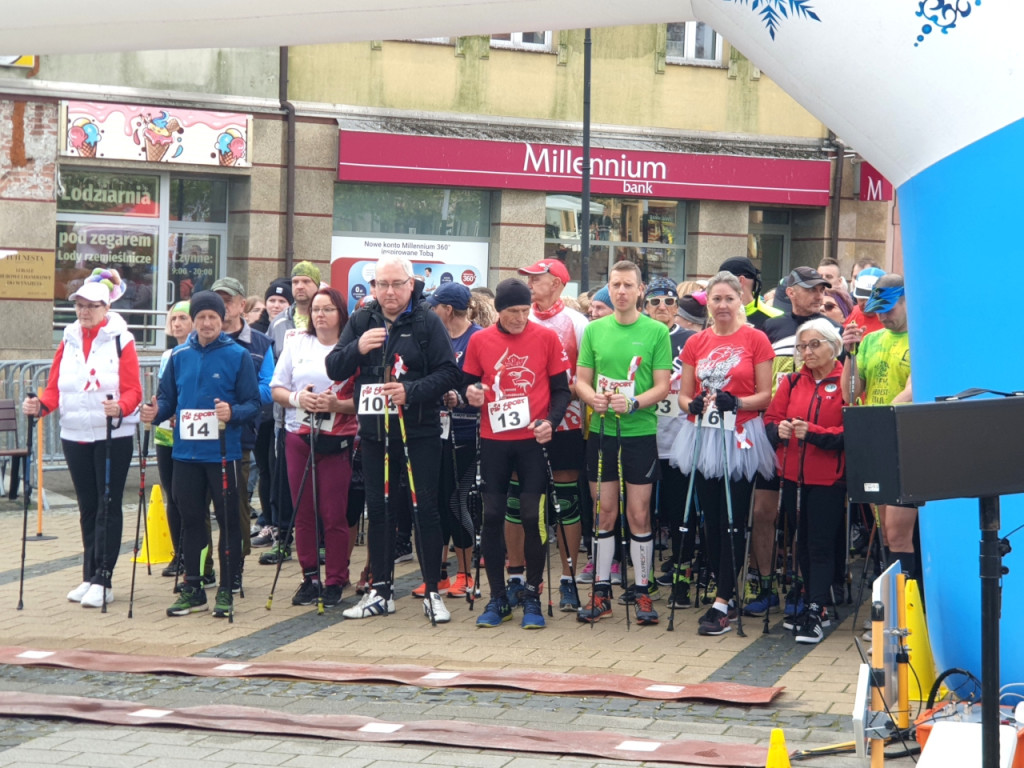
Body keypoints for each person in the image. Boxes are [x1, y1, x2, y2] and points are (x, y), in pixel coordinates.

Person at [326, 254, 461, 622]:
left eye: (396, 284)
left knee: (425, 510)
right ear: (372, 288)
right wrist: (357, 348)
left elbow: (450, 373)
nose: (389, 291)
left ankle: (433, 589)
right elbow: (334, 367)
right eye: (381, 284)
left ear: (411, 285)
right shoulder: (361, 320)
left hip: (419, 431)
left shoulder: (427, 321)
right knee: (380, 509)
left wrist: (411, 391)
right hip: (374, 432)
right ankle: (380, 589)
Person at [23, 269, 142, 608]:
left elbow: (134, 389)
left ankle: (104, 578)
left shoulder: (122, 339)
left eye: (92, 306)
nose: (84, 312)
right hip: (74, 433)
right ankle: (90, 575)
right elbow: (55, 384)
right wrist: (40, 405)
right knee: (88, 507)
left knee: (108, 504)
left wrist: (120, 406)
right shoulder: (69, 338)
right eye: (79, 306)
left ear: (106, 308)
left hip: (112, 434)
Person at [140, 291, 260, 618]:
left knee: (227, 521)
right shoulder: (179, 355)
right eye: (201, 317)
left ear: (222, 320)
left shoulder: (237, 356)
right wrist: (155, 411)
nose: (207, 323)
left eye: (213, 317)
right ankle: (193, 586)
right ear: (193, 320)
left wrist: (231, 412)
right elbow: (167, 399)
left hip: (223, 453)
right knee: (191, 520)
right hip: (186, 454)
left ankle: (226, 588)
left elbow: (253, 404)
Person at [670, 270, 775, 635]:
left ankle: (724, 599)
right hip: (704, 436)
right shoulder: (697, 342)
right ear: (708, 304)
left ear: (740, 299)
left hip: (741, 435)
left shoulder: (756, 339)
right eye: (716, 299)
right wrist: (693, 404)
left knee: (733, 518)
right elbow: (684, 395)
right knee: (710, 519)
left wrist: (739, 401)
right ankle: (722, 590)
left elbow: (766, 395)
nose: (723, 305)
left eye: (729, 298)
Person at [464, 278, 571, 629]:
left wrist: (551, 423)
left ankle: (532, 595)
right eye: (513, 312)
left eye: (526, 311)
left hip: (531, 441)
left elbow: (561, 392)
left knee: (531, 516)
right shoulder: (480, 339)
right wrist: (473, 392)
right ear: (498, 309)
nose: (521, 318)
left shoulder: (545, 338)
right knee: (492, 515)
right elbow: (465, 384)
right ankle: (497, 597)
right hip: (494, 439)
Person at [575, 261, 672, 625]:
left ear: (640, 290)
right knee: (605, 512)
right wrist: (592, 398)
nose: (621, 291)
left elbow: (662, 386)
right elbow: (581, 380)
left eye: (628, 285)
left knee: (639, 514)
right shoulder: (595, 330)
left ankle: (643, 591)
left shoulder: (655, 331)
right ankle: (601, 592)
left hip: (639, 432)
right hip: (601, 431)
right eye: (615, 284)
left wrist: (633, 402)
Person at [746, 266, 840, 618]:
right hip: (780, 446)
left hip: (820, 458)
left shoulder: (835, 334)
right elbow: (763, 394)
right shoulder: (770, 327)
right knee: (768, 516)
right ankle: (768, 585)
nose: (818, 295)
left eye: (821, 289)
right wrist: (775, 427)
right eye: (811, 289)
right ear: (790, 292)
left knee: (811, 529)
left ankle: (811, 593)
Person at [271, 287, 358, 609]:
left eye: (328, 309)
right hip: (299, 435)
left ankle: (336, 578)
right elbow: (277, 387)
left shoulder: (350, 348)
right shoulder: (297, 343)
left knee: (333, 514)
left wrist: (337, 404)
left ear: (341, 314)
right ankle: (310, 576)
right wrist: (298, 399)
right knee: (303, 511)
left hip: (336, 439)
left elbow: (362, 401)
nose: (321, 315)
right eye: (316, 310)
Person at [764, 318, 846, 643]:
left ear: (833, 346)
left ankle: (817, 607)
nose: (807, 352)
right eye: (802, 346)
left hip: (828, 477)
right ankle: (811, 601)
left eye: (814, 345)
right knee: (800, 542)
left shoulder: (845, 381)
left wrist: (815, 434)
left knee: (820, 544)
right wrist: (778, 430)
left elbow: (852, 431)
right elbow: (771, 419)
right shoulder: (793, 381)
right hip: (792, 476)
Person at [515, 259, 589, 612]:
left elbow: (588, 378)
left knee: (566, 500)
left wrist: (561, 389)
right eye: (527, 277)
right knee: (520, 498)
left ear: (557, 283)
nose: (529, 283)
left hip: (566, 422)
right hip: (519, 424)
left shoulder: (577, 323)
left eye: (536, 278)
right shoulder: (518, 317)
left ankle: (568, 579)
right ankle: (517, 577)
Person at [842, 274, 916, 578]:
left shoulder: (923, 339)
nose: (883, 316)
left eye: (889, 309)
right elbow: (850, 392)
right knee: (886, 535)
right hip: (878, 441)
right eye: (878, 311)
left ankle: (910, 611)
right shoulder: (871, 340)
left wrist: (880, 418)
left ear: (906, 301)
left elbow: (914, 389)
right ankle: (894, 613)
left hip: (909, 443)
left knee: (899, 534)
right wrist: (850, 354)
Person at [212, 276, 275, 593]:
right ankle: (199, 569)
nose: (222, 307)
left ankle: (234, 569)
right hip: (199, 439)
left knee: (234, 507)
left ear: (241, 305)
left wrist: (236, 403)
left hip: (241, 437)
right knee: (194, 507)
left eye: (228, 300)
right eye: (216, 300)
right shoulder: (196, 342)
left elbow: (268, 388)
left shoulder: (261, 344)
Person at [420, 282, 482, 600]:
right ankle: (439, 574)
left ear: (447, 309)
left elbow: (483, 387)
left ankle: (466, 574)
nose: (430, 311)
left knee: (458, 501)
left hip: (468, 432)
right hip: (438, 431)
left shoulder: (477, 338)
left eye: (434, 306)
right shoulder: (435, 336)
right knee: (438, 501)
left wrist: (461, 398)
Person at [646, 280, 703, 607]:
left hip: (679, 440)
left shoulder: (689, 340)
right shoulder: (638, 335)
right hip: (645, 436)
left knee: (679, 512)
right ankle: (646, 579)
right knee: (642, 515)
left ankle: (682, 578)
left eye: (669, 301)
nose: (662, 307)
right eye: (655, 301)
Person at [263, 261, 321, 566]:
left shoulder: (327, 314)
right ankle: (283, 539)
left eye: (305, 282)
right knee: (283, 480)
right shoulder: (280, 322)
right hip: (285, 415)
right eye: (295, 281)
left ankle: (319, 543)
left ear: (316, 285)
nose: (300, 287)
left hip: (321, 417)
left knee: (319, 482)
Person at [155, 300, 191, 579]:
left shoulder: (192, 351)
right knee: (171, 495)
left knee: (185, 496)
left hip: (188, 433)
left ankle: (192, 556)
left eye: (183, 318)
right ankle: (178, 553)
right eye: (174, 318)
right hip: (165, 434)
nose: (177, 323)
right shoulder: (168, 354)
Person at [718, 256, 783, 331]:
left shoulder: (777, 318)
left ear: (740, 281)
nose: (717, 285)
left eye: (723, 280)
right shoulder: (714, 315)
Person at [845, 266, 885, 338]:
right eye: (862, 299)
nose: (866, 304)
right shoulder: (850, 314)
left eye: (872, 299)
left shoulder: (892, 320)